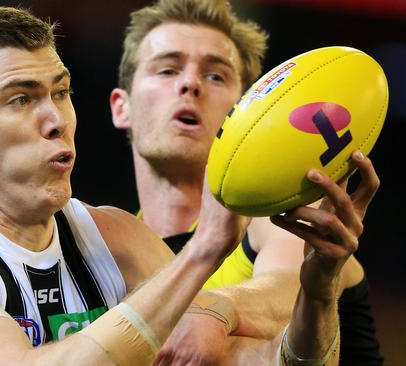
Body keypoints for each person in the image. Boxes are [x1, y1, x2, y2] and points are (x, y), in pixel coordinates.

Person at [0, 4, 377, 366]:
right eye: (21, 98)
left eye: (61, 93)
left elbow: (264, 362)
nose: (56, 118)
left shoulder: (115, 240)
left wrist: (321, 289)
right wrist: (202, 254)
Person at [109, 0, 384, 364]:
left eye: (215, 75)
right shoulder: (110, 248)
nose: (190, 83)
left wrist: (216, 308)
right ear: (121, 107)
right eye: (167, 70)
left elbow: (290, 287)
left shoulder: (284, 212)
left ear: (248, 109)